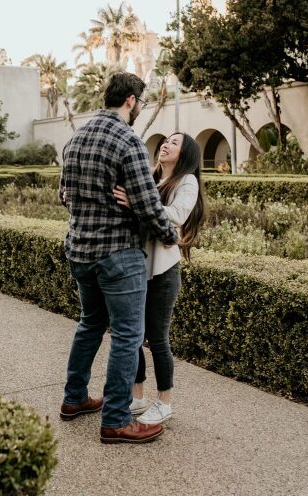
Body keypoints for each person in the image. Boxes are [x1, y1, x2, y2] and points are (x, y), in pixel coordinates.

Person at [59, 72, 178, 445]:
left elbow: (64, 195)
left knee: (90, 324)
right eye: (140, 103)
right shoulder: (128, 141)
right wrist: (171, 235)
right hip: (118, 255)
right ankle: (115, 419)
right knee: (128, 335)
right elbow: (147, 205)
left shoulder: (76, 138)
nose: (140, 108)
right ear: (131, 100)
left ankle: (74, 398)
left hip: (80, 251)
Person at [113, 132, 205, 425]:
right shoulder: (151, 178)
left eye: (174, 142)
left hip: (164, 272)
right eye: (166, 140)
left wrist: (136, 203)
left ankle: (164, 402)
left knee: (158, 339)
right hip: (138, 267)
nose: (166, 144)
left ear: (185, 153)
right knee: (135, 336)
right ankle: (137, 396)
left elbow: (177, 215)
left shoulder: (186, 181)